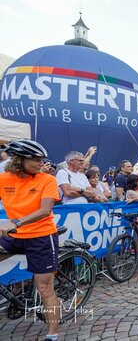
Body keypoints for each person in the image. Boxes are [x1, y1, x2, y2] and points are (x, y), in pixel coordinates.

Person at [0, 139, 62, 340]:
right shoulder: (4, 179)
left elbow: (45, 210)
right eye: (35, 160)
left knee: (44, 288)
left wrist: (16, 223)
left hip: (41, 236)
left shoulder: (47, 179)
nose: (40, 163)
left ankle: (53, 335)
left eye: (41, 160)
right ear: (18, 160)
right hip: (14, 236)